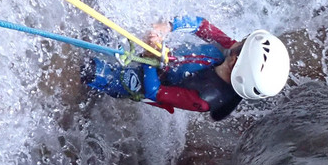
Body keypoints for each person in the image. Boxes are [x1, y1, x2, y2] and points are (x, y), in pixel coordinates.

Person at [81, 16, 290, 120]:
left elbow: (155, 92)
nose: (236, 42)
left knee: (88, 70)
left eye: (242, 43)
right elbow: (200, 25)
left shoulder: (205, 99)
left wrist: (149, 59)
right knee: (98, 27)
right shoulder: (231, 52)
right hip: (162, 59)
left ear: (236, 62)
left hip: (148, 82)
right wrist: (167, 28)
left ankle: (89, 87)